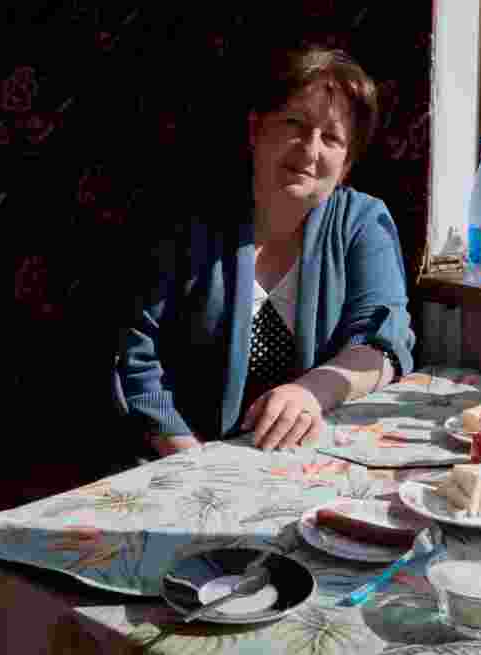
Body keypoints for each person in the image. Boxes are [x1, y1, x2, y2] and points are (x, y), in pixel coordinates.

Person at [115, 45, 415, 458]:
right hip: (180, 457)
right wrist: (187, 459)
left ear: (346, 164)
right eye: (295, 123)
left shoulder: (361, 222)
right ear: (256, 128)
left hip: (304, 461)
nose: (310, 150)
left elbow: (384, 342)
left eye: (331, 137)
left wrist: (310, 392)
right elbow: (137, 359)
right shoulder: (188, 222)